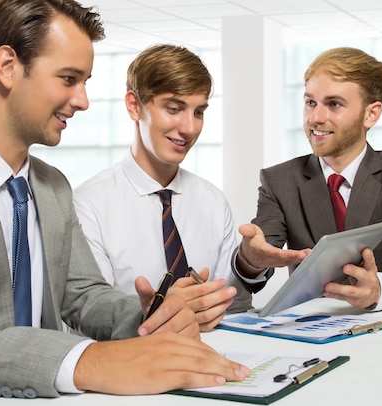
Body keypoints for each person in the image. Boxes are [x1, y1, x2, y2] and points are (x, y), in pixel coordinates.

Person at [0, 0, 250, 398]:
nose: (82, 100)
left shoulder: (53, 187)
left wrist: (152, 316)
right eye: (68, 79)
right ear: (8, 66)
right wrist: (83, 361)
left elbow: (83, 297)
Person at [233, 47, 382, 311]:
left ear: (371, 114)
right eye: (311, 102)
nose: (315, 118)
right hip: (309, 331)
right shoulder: (279, 180)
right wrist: (251, 259)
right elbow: (262, 251)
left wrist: (378, 290)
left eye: (333, 104)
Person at [73, 44, 252, 331]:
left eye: (199, 112)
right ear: (134, 105)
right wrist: (156, 315)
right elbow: (88, 316)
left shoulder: (213, 202)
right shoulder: (88, 205)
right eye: (174, 108)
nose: (190, 128)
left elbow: (234, 305)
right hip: (133, 366)